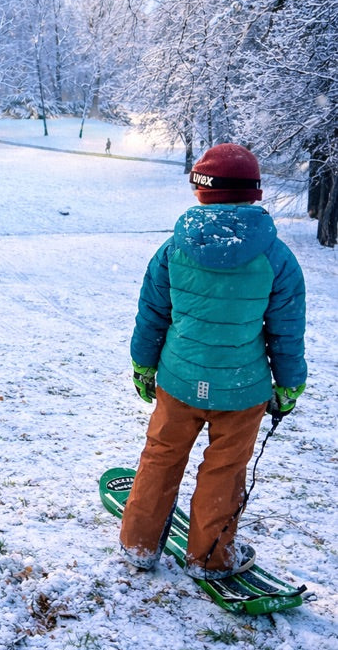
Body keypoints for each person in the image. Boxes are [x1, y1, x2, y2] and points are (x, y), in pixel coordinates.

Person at [120, 143, 307, 580]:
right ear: (254, 193)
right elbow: (286, 331)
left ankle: (139, 543)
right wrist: (289, 383)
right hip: (242, 391)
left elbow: (152, 316)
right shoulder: (276, 258)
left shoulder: (173, 249)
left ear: (200, 191)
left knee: (161, 457)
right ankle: (209, 556)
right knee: (225, 471)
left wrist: (143, 365)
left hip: (179, 380)